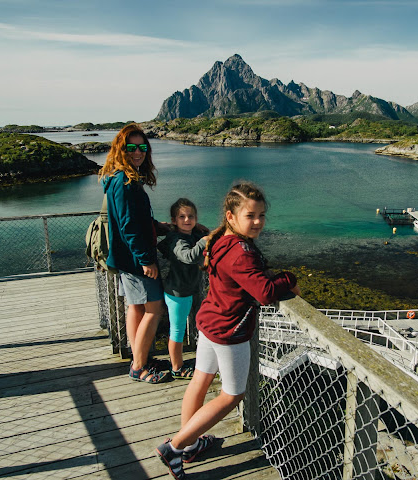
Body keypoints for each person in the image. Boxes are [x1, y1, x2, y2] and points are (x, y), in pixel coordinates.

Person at [155, 182, 300, 479]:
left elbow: (243, 276)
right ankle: (176, 446)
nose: (258, 221)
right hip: (228, 331)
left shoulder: (220, 238)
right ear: (231, 216)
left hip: (210, 320)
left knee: (200, 380)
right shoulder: (241, 252)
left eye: (261, 215)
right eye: (251, 215)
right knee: (232, 394)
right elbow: (263, 291)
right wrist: (288, 279)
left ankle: (191, 445)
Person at [100, 123, 170, 384]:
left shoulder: (119, 179)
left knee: (136, 309)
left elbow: (133, 221)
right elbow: (129, 226)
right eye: (132, 148)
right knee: (154, 309)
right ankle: (139, 367)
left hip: (127, 260)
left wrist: (161, 227)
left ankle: (138, 359)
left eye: (142, 147)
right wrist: (146, 260)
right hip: (135, 261)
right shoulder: (125, 182)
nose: (138, 152)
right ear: (122, 149)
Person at [157, 198, 208, 379]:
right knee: (177, 330)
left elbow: (203, 236)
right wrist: (204, 241)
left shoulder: (189, 234)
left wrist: (201, 231)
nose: (187, 220)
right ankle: (177, 367)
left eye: (191, 216)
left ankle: (178, 363)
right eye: (182, 217)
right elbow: (188, 256)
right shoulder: (178, 240)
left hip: (184, 289)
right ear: (174, 220)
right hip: (177, 293)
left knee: (180, 328)